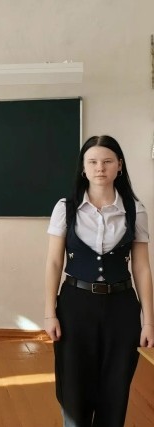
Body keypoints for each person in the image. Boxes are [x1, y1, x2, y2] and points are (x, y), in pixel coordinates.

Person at [44, 135, 154, 427]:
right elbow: (54, 263)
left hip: (121, 308)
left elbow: (142, 268)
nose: (100, 168)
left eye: (107, 161)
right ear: (83, 167)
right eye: (92, 162)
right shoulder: (65, 208)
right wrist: (50, 312)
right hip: (75, 306)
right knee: (74, 390)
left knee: (115, 389)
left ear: (119, 165)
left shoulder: (135, 209)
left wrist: (148, 321)